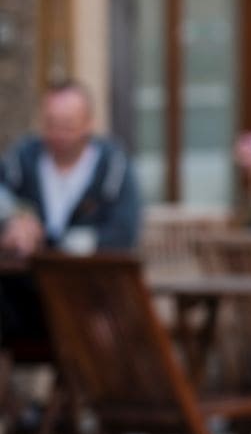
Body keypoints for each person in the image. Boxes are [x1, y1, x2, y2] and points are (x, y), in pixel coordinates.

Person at [0, 82, 143, 336]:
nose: (58, 134)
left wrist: (74, 243)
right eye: (51, 124)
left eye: (67, 125)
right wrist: (11, 221)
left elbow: (124, 231)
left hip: (90, 295)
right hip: (25, 294)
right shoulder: (22, 159)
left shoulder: (113, 167)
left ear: (88, 123)